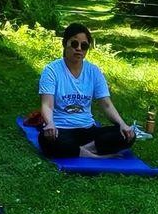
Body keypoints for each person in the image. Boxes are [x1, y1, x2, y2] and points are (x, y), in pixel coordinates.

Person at [32, 22, 143, 159]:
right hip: (60, 130)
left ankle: (82, 151)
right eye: (74, 44)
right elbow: (46, 104)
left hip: (88, 131)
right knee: (46, 139)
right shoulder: (51, 70)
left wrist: (122, 124)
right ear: (65, 43)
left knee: (127, 135)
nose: (78, 49)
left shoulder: (94, 71)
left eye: (83, 46)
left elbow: (106, 104)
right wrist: (50, 123)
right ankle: (94, 155)